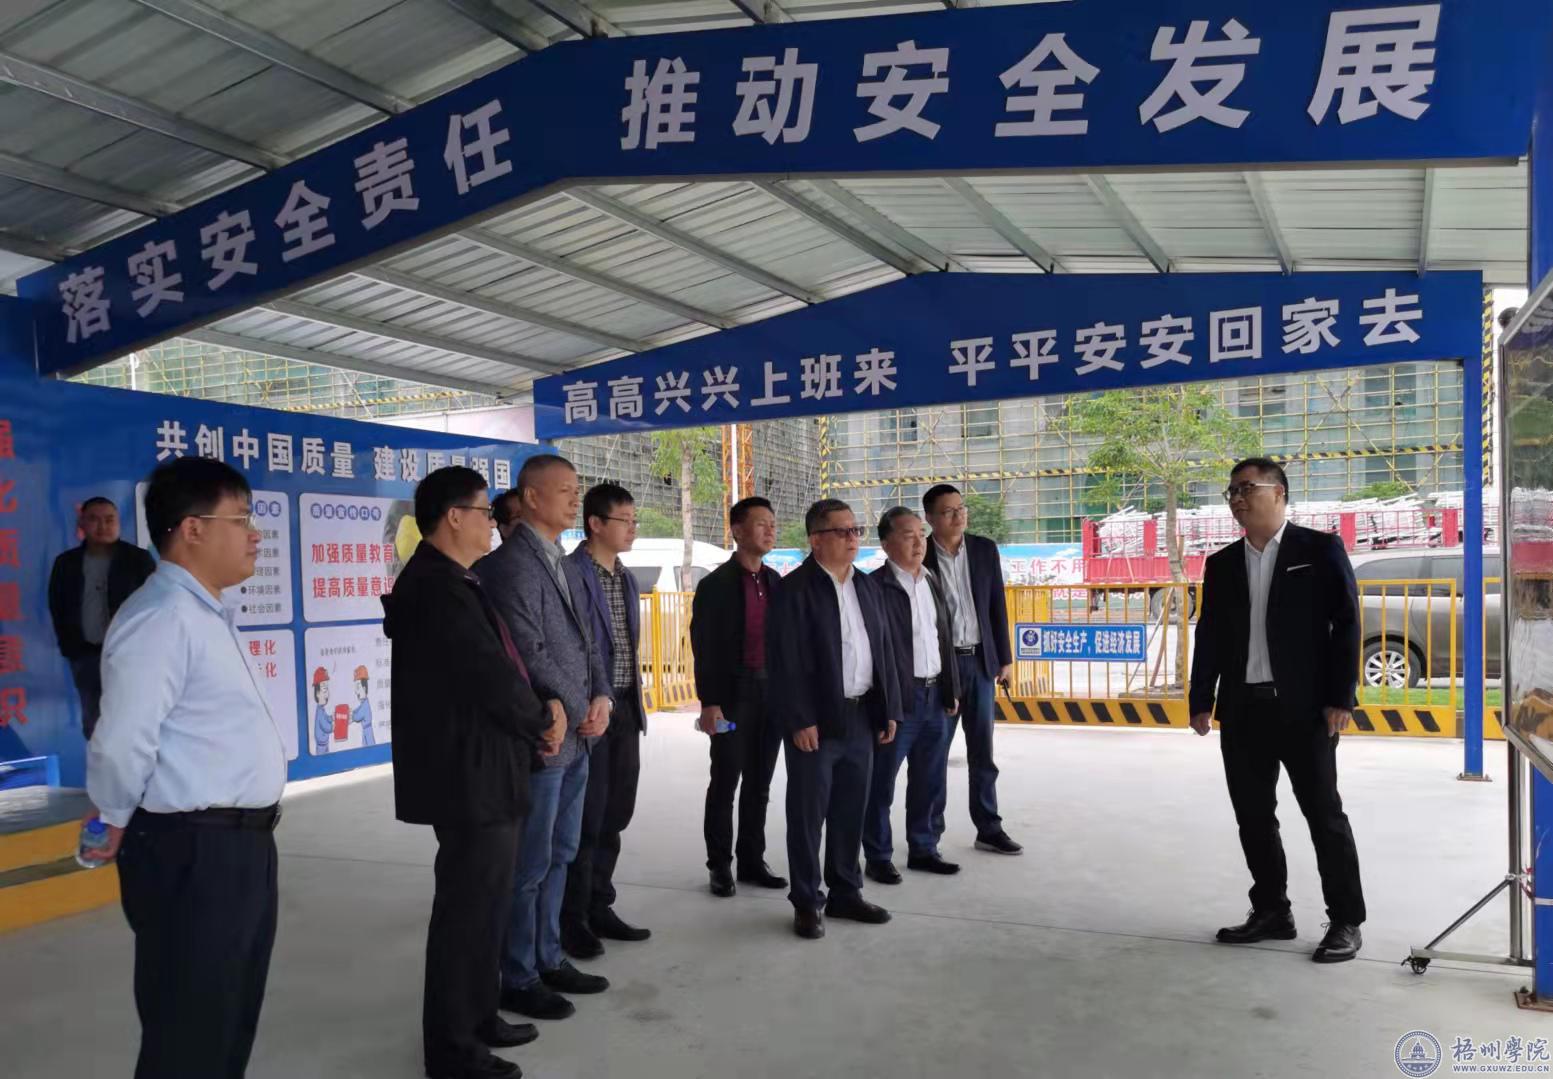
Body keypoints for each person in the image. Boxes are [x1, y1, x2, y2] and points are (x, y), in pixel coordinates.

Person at [85, 457, 288, 1079]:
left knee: (228, 1019)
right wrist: (111, 817)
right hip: (193, 851)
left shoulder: (204, 612)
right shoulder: (162, 618)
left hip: (238, 848)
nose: (255, 535)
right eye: (241, 520)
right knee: (189, 1030)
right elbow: (122, 740)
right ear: (192, 529)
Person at [384, 465, 559, 1079]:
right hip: (467, 775)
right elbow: (488, 677)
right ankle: (453, 1051)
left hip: (485, 768)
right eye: (486, 512)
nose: (494, 522)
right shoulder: (436, 588)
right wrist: (541, 719)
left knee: (486, 907)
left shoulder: (457, 579)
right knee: (465, 914)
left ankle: (481, 1017)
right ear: (453, 517)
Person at [1189, 457, 1366, 964]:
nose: (1237, 499)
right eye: (1231, 492)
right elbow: (1210, 634)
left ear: (1280, 493)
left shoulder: (1319, 549)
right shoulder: (1222, 563)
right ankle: (1271, 910)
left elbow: (1347, 624)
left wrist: (1341, 697)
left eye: (1247, 488)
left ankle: (1346, 919)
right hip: (1243, 709)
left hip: (1304, 711)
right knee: (1253, 816)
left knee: (1323, 814)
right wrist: (1202, 699)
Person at [478, 454, 612, 1020]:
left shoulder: (565, 560)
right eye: (564, 490)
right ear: (531, 497)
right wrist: (580, 707)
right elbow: (527, 653)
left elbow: (590, 640)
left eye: (577, 490)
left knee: (562, 853)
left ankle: (549, 955)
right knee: (530, 865)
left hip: (578, 735)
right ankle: (518, 973)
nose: (575, 499)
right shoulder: (510, 566)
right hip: (546, 738)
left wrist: (602, 697)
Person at [769, 498, 900, 940]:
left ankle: (846, 891)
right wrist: (799, 719)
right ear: (815, 539)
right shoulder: (794, 590)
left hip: (862, 716)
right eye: (841, 531)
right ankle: (807, 901)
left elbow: (883, 651)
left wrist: (888, 709)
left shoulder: (867, 586)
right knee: (808, 815)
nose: (852, 538)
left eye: (855, 530)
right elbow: (784, 662)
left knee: (850, 810)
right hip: (816, 722)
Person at [561, 483, 650, 958]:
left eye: (635, 520)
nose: (632, 528)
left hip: (626, 708)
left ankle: (601, 904)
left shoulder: (626, 578)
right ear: (595, 523)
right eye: (624, 520)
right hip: (590, 714)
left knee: (616, 813)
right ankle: (571, 918)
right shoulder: (570, 574)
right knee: (585, 819)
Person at [690, 496, 787, 898]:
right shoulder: (716, 585)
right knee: (726, 780)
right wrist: (710, 703)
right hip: (733, 698)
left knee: (760, 784)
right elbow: (704, 647)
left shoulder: (776, 582)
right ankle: (720, 865)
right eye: (761, 523)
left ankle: (751, 861)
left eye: (772, 523)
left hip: (771, 695)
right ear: (737, 530)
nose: (770, 530)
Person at [921, 484, 1023, 856]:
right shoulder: (920, 553)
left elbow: (996, 605)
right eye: (948, 511)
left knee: (983, 751)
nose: (958, 515)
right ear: (930, 518)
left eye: (961, 508)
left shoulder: (983, 549)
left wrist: (1004, 659)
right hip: (941, 668)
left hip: (980, 663)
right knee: (934, 754)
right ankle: (928, 836)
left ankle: (989, 828)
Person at [864, 507, 962, 884]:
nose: (919, 542)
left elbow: (943, 637)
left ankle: (923, 848)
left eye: (921, 534)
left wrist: (951, 688)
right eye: (909, 536)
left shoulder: (931, 580)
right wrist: (885, 706)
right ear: (886, 544)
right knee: (881, 784)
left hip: (935, 695)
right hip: (899, 701)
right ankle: (878, 856)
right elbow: (874, 654)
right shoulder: (874, 587)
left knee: (929, 779)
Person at [46, 496, 154, 740]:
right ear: (81, 524)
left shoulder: (138, 559)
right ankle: (101, 763)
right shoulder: (66, 563)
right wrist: (70, 646)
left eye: (109, 519)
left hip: (130, 653)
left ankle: (137, 763)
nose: (102, 526)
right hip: (86, 655)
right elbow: (57, 606)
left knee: (134, 716)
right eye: (94, 519)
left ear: (118, 523)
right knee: (94, 720)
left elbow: (154, 606)